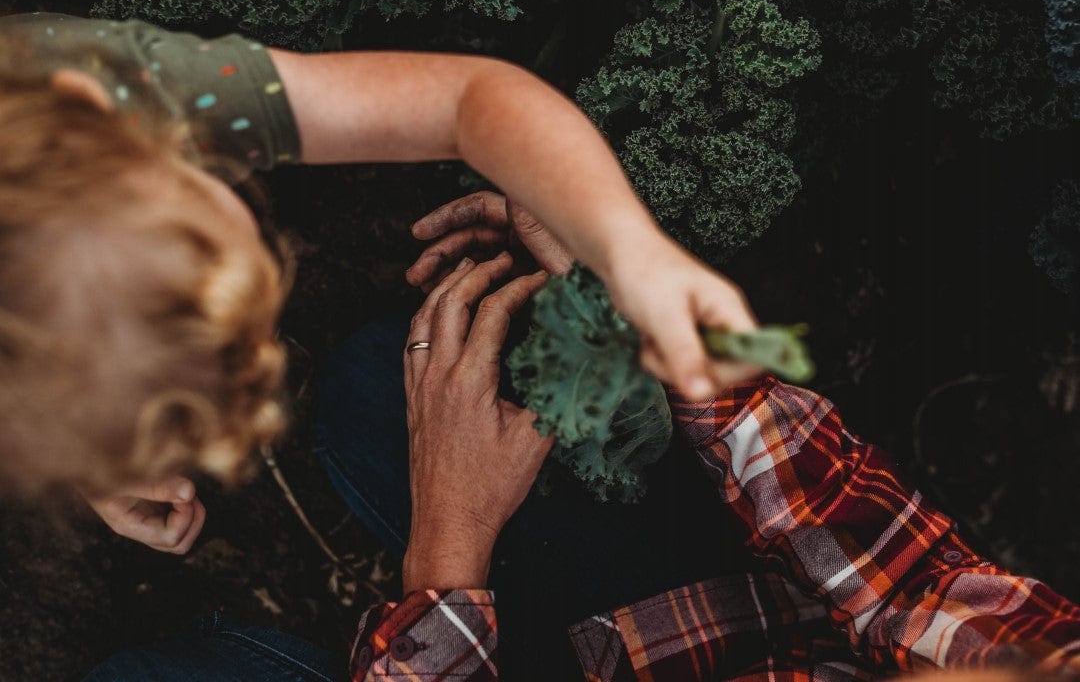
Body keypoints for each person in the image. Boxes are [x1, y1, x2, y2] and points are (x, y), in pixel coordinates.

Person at [84, 197, 1080, 682]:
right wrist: (661, 320)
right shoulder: (1044, 660)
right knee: (378, 384)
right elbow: (899, 577)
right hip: (694, 633)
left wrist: (450, 543)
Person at [0, 12, 758, 551]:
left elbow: (471, 99)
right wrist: (96, 461)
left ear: (113, 118)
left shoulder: (151, 85)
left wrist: (627, 249)